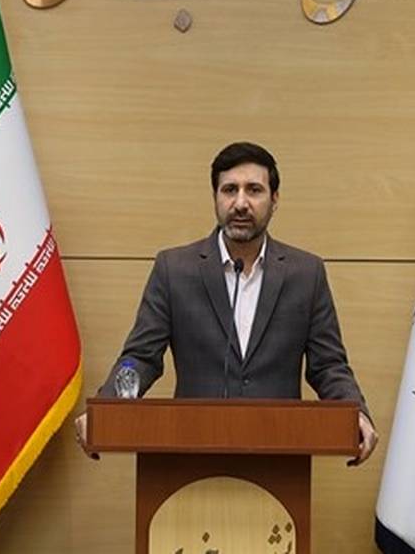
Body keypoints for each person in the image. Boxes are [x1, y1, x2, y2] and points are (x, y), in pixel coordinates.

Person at [74, 141, 378, 465]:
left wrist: (356, 412)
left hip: (277, 460)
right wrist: (108, 406)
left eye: (254, 190)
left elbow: (328, 365)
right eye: (230, 190)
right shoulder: (174, 269)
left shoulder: (306, 274)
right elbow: (140, 357)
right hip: (191, 459)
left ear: (275, 199)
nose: (241, 203)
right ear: (215, 198)